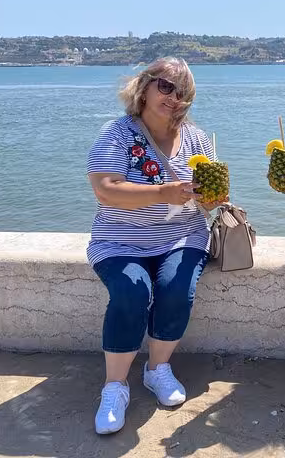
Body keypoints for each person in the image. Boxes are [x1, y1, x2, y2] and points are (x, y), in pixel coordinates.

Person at [86, 57, 225, 434]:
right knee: (132, 292)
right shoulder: (117, 134)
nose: (174, 97)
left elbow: (209, 200)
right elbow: (106, 190)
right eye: (165, 86)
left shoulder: (198, 139)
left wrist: (213, 195)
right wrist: (165, 192)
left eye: (183, 92)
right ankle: (115, 386)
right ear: (144, 87)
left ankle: (157, 369)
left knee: (176, 289)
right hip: (120, 240)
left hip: (182, 236)